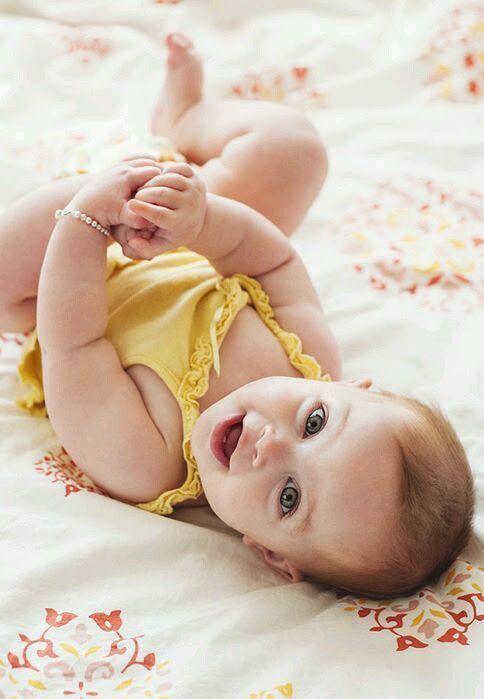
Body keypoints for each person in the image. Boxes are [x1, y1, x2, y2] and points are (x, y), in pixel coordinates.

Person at [0, 33, 474, 599]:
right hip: (180, 231)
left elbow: (73, 343)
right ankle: (187, 119)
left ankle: (116, 178)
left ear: (272, 554)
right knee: (294, 149)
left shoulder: (147, 462)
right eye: (316, 422)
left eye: (289, 496)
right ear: (351, 386)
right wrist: (196, 220)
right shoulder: (307, 357)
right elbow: (270, 256)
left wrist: (88, 221)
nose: (270, 446)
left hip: (59, 278)